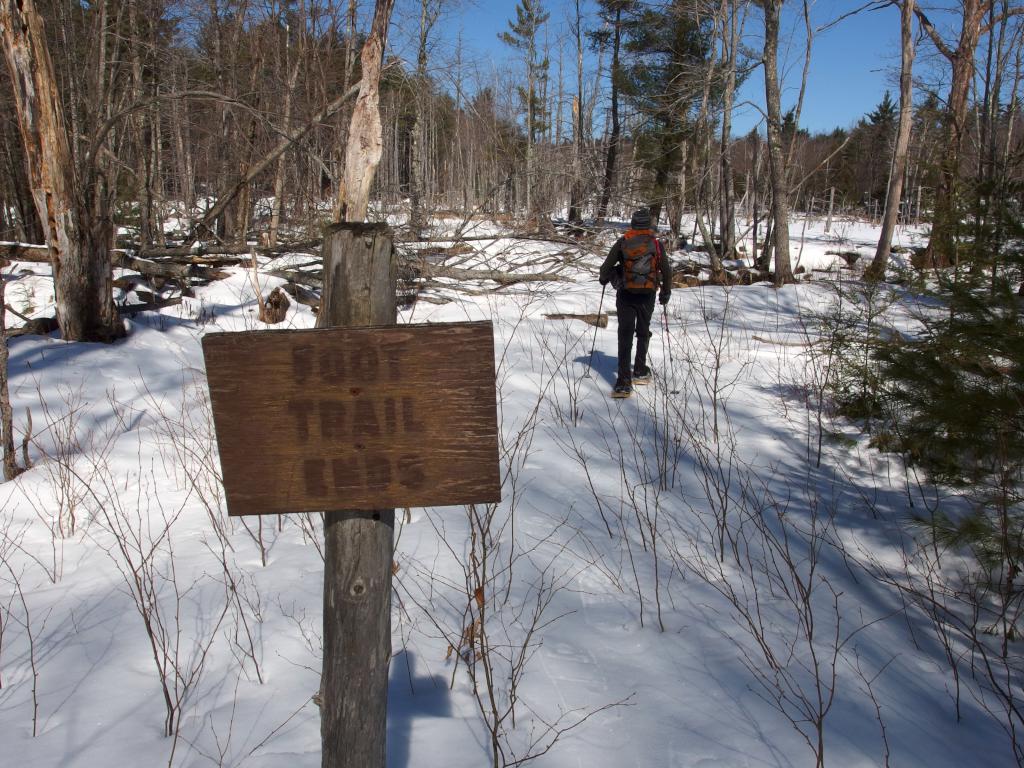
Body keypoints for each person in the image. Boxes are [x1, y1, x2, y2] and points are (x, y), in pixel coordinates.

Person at [599, 208, 672, 398]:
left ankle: (623, 382)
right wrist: (666, 292)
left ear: (632, 223)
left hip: (626, 294)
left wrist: (604, 278)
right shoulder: (656, 244)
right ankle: (639, 370)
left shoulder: (623, 242)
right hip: (647, 294)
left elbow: (605, 267)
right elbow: (666, 270)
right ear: (648, 225)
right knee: (643, 330)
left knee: (625, 334)